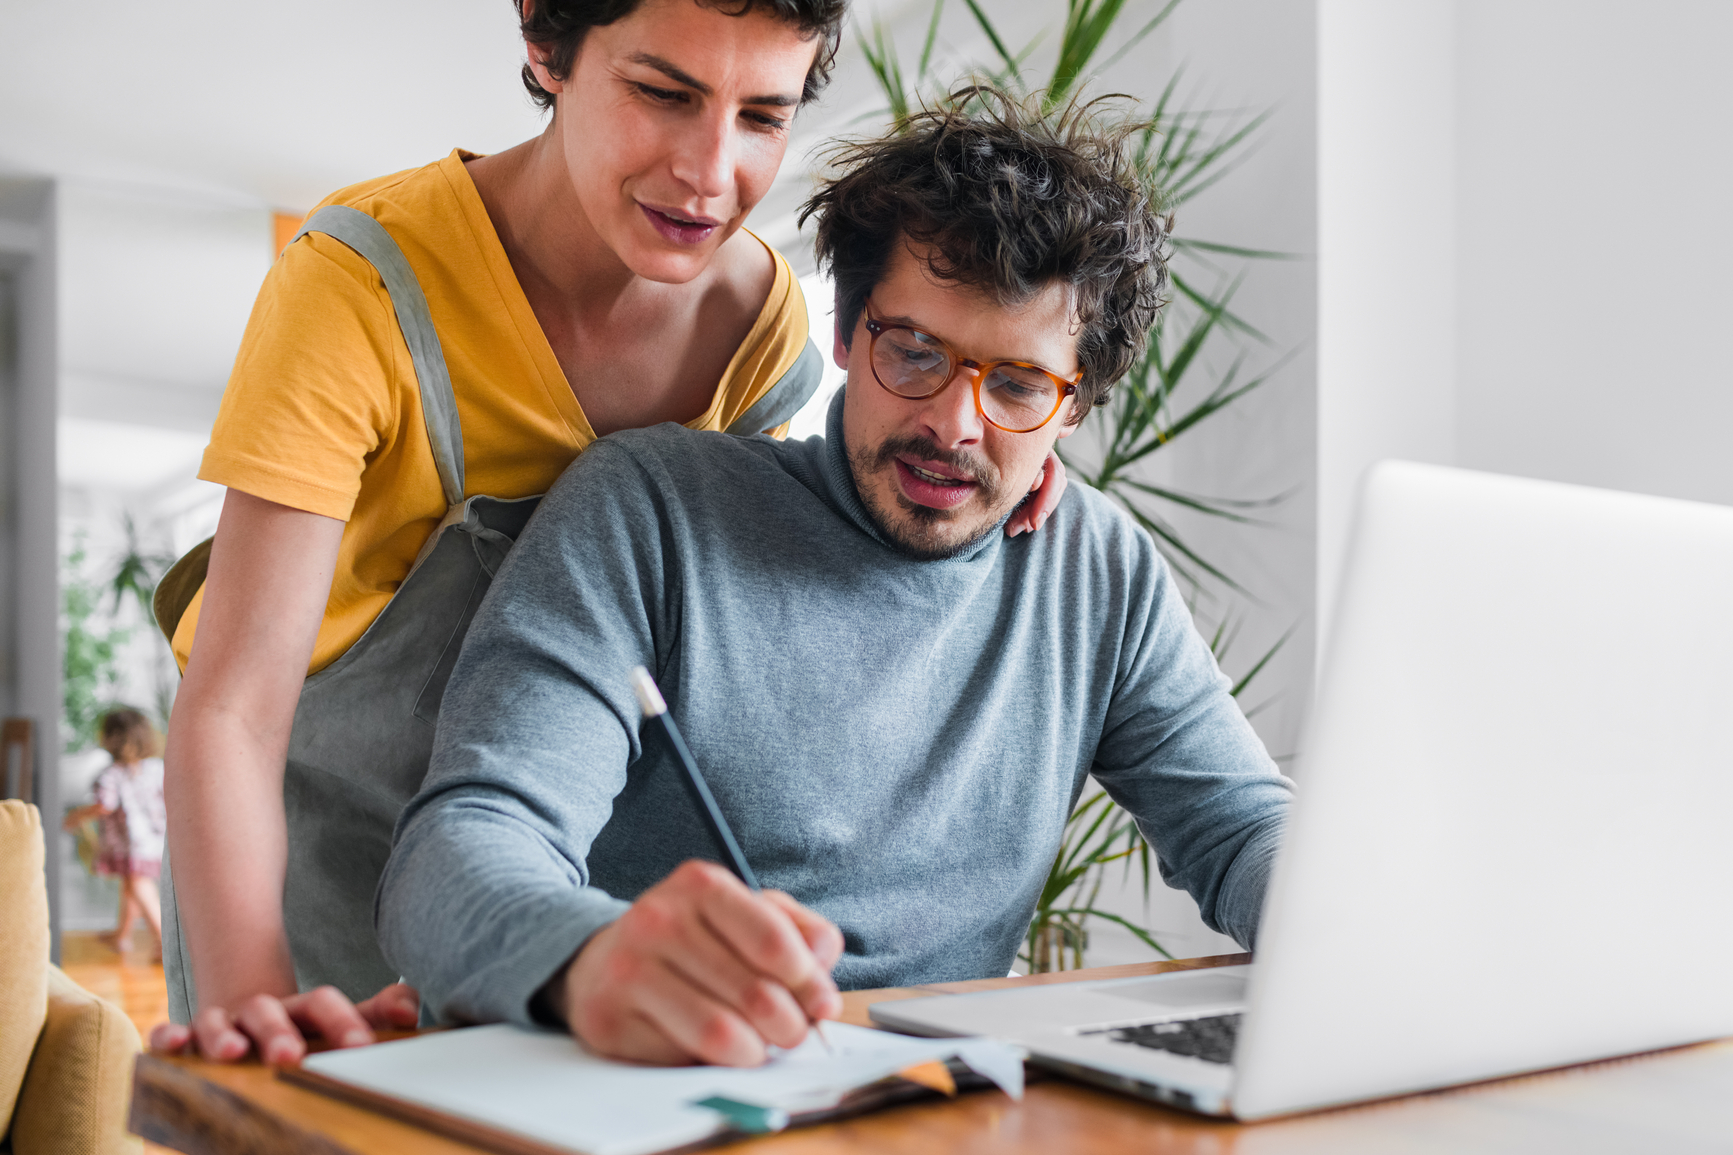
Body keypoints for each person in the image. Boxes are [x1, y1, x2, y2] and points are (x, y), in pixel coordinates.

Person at [152, 0, 1075, 1068]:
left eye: (761, 116)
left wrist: (996, 443)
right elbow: (232, 711)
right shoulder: (358, 284)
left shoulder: (759, 326)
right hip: (298, 851)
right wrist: (255, 1003)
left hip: (535, 879)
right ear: (546, 47)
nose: (708, 170)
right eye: (662, 93)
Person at [377, 89, 1295, 1068]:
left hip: (935, 1114)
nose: (952, 424)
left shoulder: (1095, 572)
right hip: (668, 1089)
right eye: (913, 354)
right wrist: (587, 957)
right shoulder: (653, 512)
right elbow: (456, 852)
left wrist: (1355, 932)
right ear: (846, 336)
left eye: (1018, 386)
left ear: (1073, 409)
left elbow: (1240, 828)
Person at [64, 709, 167, 957]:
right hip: (154, 839)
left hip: (129, 842)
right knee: (130, 886)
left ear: (110, 739)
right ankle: (123, 934)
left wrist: (77, 816)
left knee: (140, 885)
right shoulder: (155, 767)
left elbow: (104, 805)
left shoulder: (110, 775)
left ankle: (162, 940)